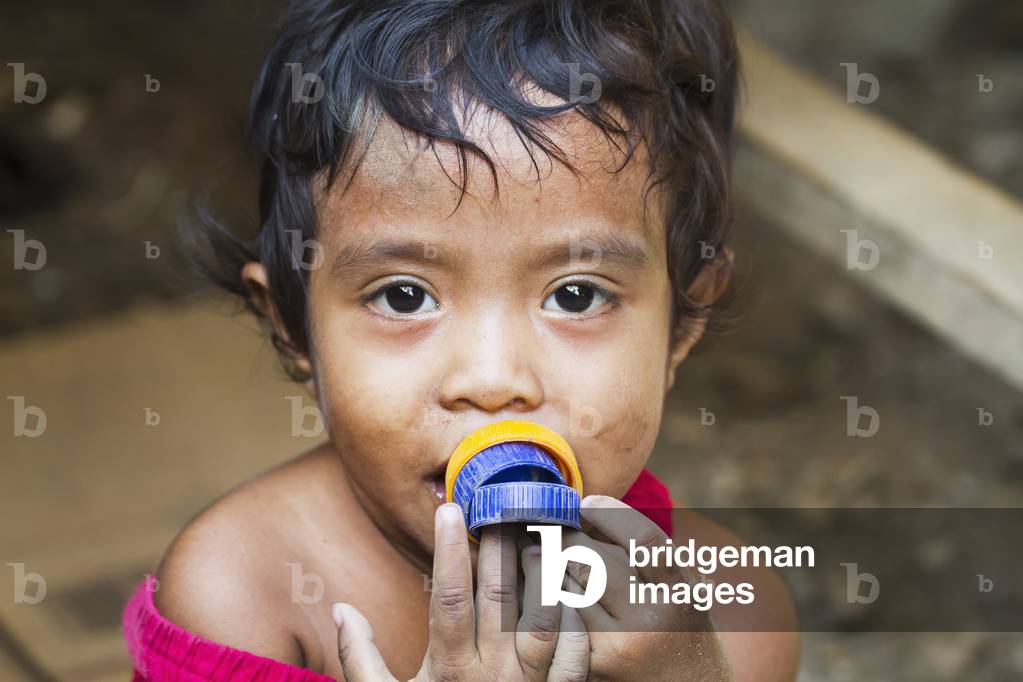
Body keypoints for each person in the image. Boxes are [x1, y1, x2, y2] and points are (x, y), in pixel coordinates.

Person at [122, 0, 800, 679]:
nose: (492, 379)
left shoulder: (727, 621)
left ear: (682, 324)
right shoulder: (244, 596)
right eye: (403, 296)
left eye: (576, 295)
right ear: (293, 325)